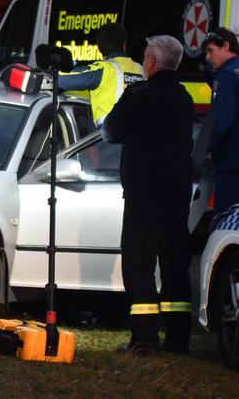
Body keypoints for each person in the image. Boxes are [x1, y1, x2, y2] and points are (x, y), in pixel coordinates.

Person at [103, 35, 194, 355]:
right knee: (175, 264)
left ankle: (144, 339)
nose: (143, 62)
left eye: (144, 58)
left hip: (144, 196)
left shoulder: (138, 96)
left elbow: (109, 130)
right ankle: (178, 339)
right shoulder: (184, 99)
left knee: (139, 264)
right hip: (178, 195)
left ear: (153, 62)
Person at [58, 22, 143, 126]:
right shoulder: (142, 70)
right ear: (124, 46)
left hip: (109, 139)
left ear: (98, 48)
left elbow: (60, 78)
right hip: (141, 137)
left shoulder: (105, 69)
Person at [201, 27, 239, 215]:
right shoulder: (232, 72)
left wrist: (202, 150)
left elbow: (222, 121)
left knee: (226, 222)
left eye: (211, 51)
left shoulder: (226, 77)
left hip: (231, 162)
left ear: (226, 46)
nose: (208, 57)